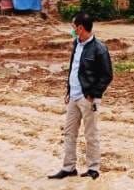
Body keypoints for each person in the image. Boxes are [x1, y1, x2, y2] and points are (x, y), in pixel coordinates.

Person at [48, 12, 113, 180]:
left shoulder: (99, 48)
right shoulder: (76, 43)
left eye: (73, 27)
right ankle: (69, 168)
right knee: (69, 133)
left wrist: (94, 94)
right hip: (73, 96)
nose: (72, 29)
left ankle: (93, 168)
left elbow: (107, 75)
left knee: (91, 134)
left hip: (87, 97)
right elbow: (74, 69)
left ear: (80, 28)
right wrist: (69, 90)